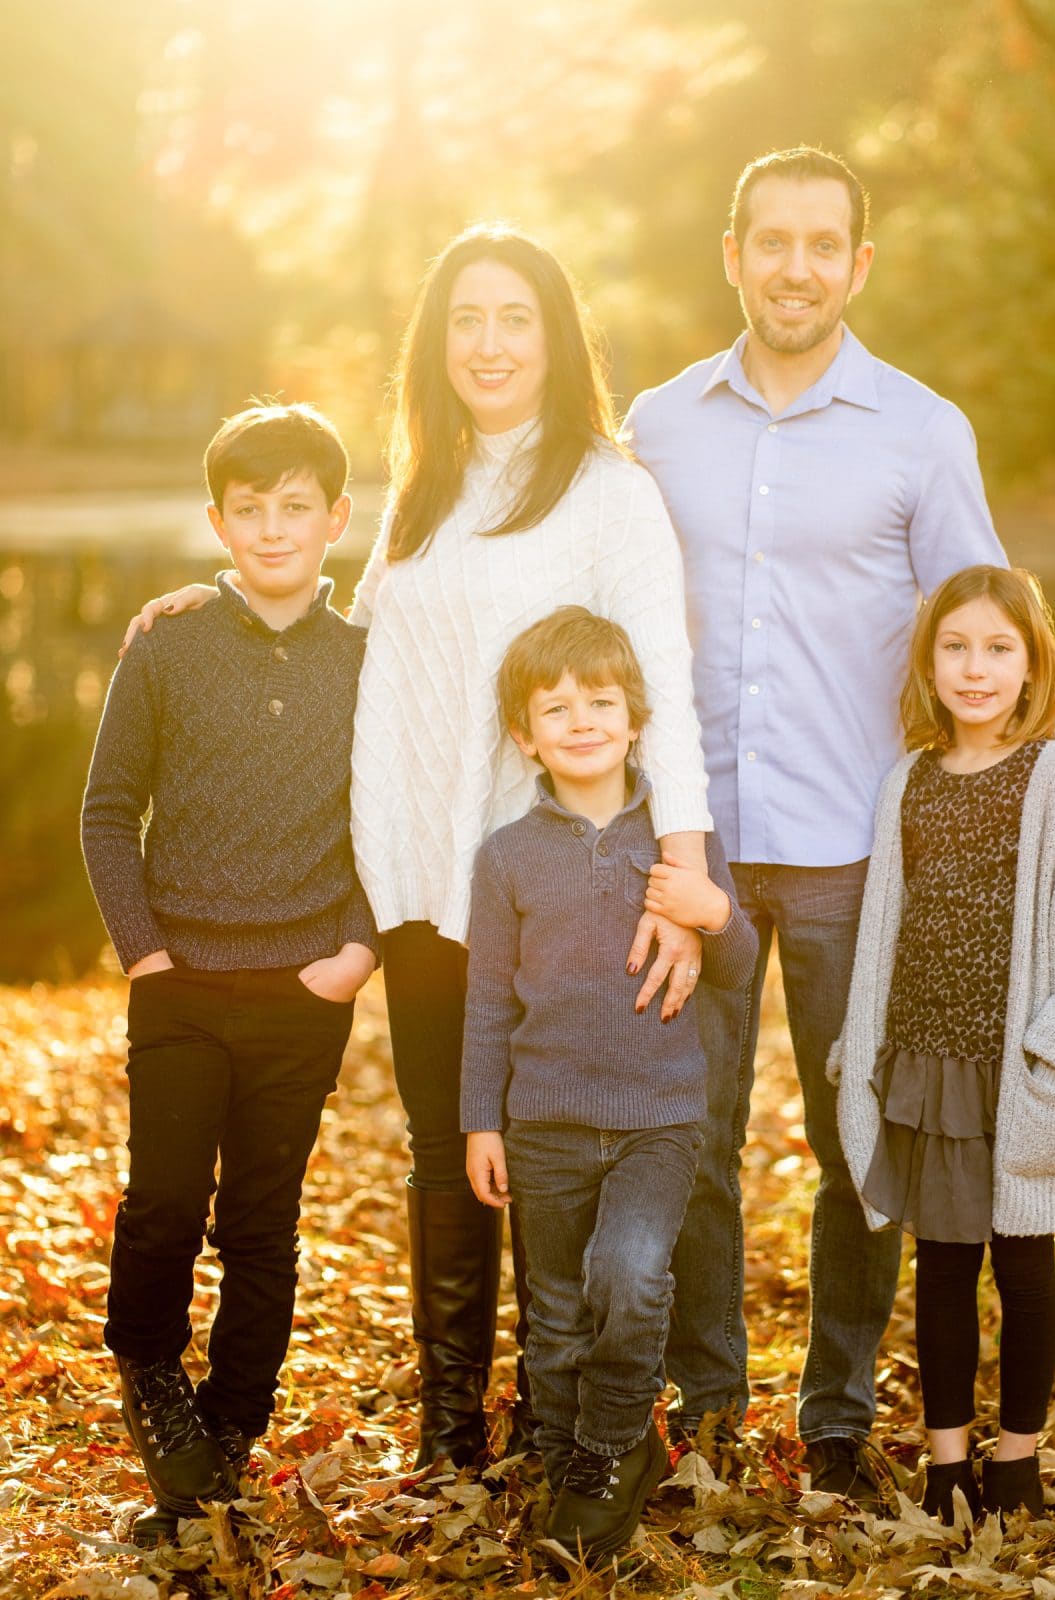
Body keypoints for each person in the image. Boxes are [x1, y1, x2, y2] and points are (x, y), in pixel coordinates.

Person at [125, 225, 713, 1468]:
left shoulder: (610, 489)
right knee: (447, 1144)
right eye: (466, 320)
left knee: (554, 1140)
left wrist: (685, 863)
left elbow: (663, 678)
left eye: (514, 318)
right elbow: (366, 643)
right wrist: (206, 606)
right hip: (421, 884)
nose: (489, 344)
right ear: (435, 345)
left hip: (562, 882)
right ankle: (454, 1422)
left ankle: (576, 1413)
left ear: (554, 337)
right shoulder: (424, 490)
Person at [625, 145, 1010, 1505]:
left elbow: (984, 632)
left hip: (863, 855)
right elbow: (567, 595)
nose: (794, 266)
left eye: (821, 243)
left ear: (858, 265)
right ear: (732, 254)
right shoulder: (658, 425)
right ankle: (709, 1397)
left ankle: (837, 1411)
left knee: (863, 1148)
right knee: (692, 1137)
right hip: (696, 852)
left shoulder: (922, 431)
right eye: (769, 240)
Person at [81, 403, 378, 1545]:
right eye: (248, 509)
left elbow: (389, 820)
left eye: (295, 507)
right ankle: (150, 1370)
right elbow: (110, 812)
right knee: (162, 1202)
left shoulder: (366, 659)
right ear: (216, 519)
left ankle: (233, 1419)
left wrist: (353, 952)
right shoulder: (168, 644)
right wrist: (146, 952)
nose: (272, 528)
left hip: (305, 982)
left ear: (335, 520)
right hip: (183, 980)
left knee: (263, 1221)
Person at [831, 565, 1055, 1523]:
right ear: (928, 663)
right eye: (955, 647)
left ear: (1032, 662)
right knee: (944, 1269)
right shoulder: (909, 781)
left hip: (1016, 1072)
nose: (976, 669)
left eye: (999, 648)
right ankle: (946, 1462)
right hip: (925, 1067)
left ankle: (1018, 1458)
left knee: (1024, 1267)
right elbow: (884, 924)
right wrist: (862, 1044)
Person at [460, 607, 756, 1557]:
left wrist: (714, 912)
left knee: (627, 1280)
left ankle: (612, 1445)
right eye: (556, 708)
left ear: (635, 720)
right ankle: (564, 1467)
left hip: (657, 1123)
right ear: (525, 735)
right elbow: (486, 1007)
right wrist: (480, 1122)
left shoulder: (673, 844)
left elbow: (741, 970)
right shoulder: (508, 856)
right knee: (552, 1314)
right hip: (543, 1123)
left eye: (601, 701)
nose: (581, 720)